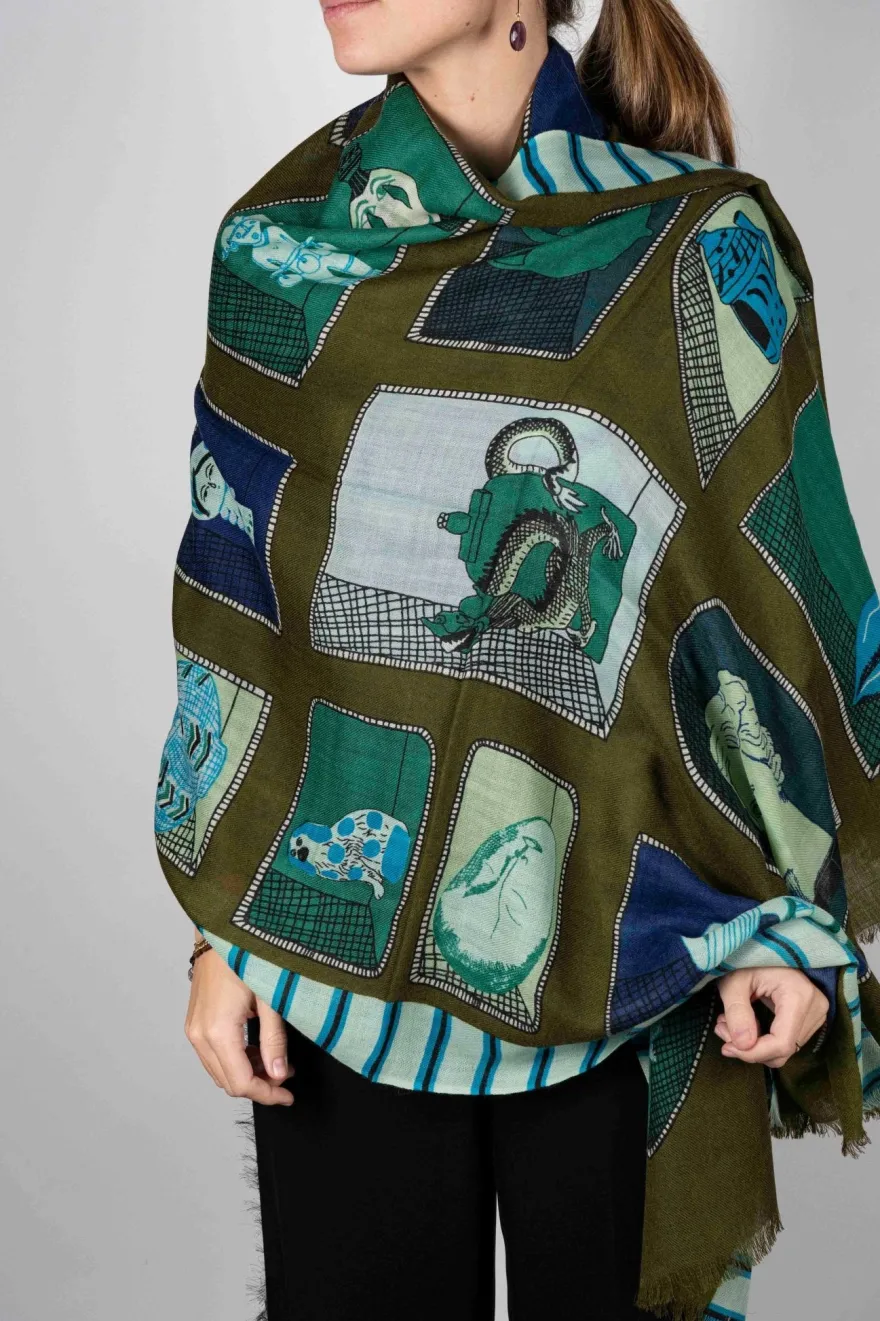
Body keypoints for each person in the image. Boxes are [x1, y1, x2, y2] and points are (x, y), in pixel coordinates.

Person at [159, 3, 880, 1319]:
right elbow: (242, 612)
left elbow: (775, 588)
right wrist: (228, 927)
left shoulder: (691, 244)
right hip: (333, 945)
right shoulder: (280, 245)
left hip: (632, 943)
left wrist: (792, 911)